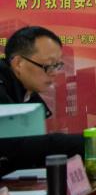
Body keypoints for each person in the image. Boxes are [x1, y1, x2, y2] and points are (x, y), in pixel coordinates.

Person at [0, 25, 84, 171]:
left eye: (57, 65)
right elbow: (17, 146)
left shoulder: (26, 93)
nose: (54, 73)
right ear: (18, 63)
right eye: (48, 65)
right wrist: (87, 142)